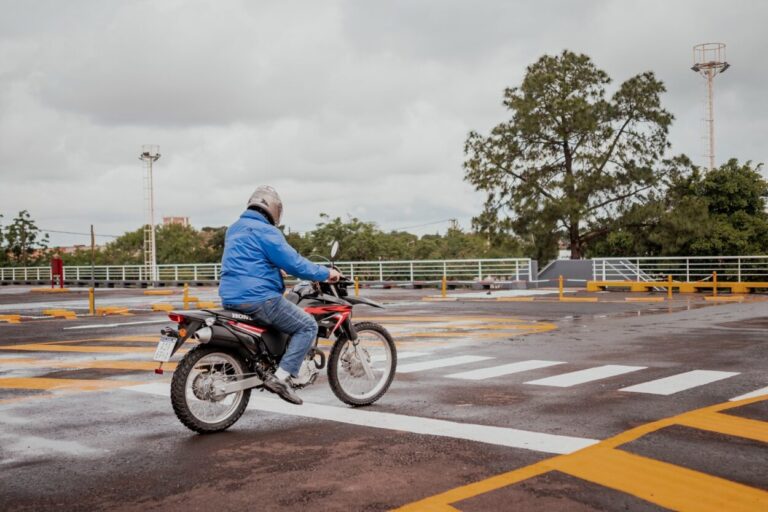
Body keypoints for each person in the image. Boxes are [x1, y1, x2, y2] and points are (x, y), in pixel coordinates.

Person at [218, 186, 341, 405]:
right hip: (259, 299)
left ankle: (267, 364)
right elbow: (295, 264)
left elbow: (247, 261)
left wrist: (274, 268)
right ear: (274, 209)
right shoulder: (267, 231)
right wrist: (326, 273)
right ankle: (282, 377)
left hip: (231, 297)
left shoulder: (234, 228)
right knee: (307, 325)